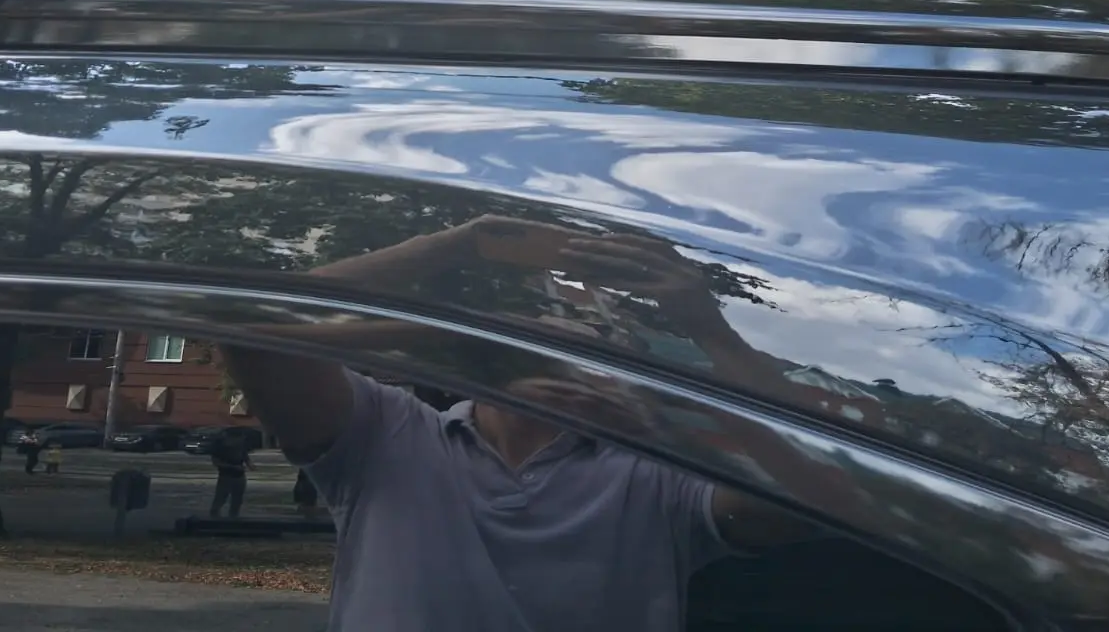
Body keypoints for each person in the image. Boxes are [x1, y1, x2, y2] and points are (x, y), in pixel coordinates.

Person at [223, 215, 831, 632]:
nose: (560, 324)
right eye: (536, 320)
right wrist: (457, 249)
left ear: (615, 362)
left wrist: (707, 325)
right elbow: (251, 328)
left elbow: (819, 496)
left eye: (587, 327)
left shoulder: (660, 473)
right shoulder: (387, 434)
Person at [208, 427, 251, 519]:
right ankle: (214, 517)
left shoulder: (240, 445)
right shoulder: (220, 446)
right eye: (239, 437)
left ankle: (233, 517)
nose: (242, 440)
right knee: (221, 498)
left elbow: (245, 455)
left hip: (240, 476)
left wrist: (249, 464)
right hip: (226, 476)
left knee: (237, 499)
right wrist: (232, 467)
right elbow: (216, 462)